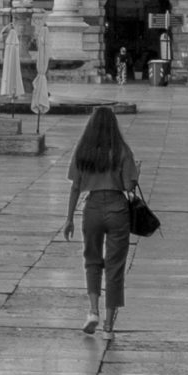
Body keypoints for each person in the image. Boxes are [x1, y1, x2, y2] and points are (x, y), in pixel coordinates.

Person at [62, 106, 139, 338]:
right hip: (117, 209)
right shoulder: (122, 150)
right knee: (115, 267)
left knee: (92, 260)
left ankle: (93, 311)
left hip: (92, 209)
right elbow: (128, 186)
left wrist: (69, 219)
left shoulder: (83, 150)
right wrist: (134, 175)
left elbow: (75, 187)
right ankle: (108, 325)